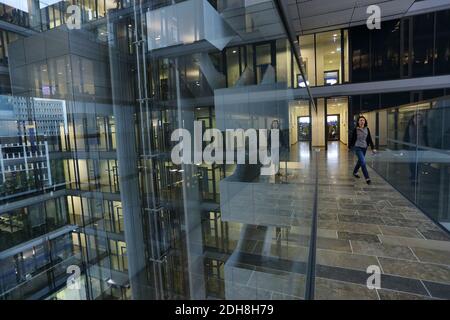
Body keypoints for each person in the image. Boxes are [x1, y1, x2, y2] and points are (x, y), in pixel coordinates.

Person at [349, 116, 376, 184]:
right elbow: (352, 139)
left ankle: (355, 172)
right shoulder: (356, 129)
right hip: (357, 147)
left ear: (365, 121)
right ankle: (367, 178)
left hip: (365, 147)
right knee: (363, 161)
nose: (362, 121)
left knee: (360, 161)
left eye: (363, 120)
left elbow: (369, 139)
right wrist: (350, 147)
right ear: (358, 122)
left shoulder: (367, 129)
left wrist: (373, 148)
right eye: (360, 120)